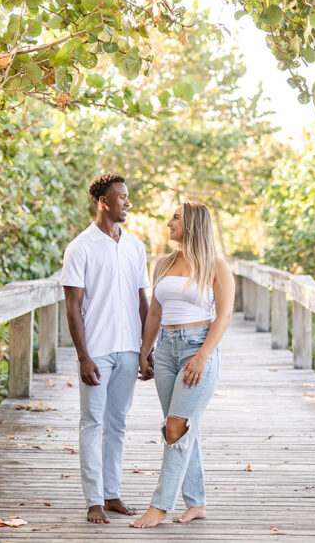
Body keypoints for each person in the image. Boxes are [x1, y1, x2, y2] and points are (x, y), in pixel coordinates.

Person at [130, 202, 235, 528]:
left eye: (175, 217)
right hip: (165, 352)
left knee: (175, 429)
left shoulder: (216, 266)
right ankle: (197, 503)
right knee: (183, 428)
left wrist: (202, 358)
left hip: (197, 349)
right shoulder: (163, 263)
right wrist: (144, 352)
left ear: (192, 224)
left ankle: (160, 506)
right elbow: (157, 314)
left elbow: (224, 316)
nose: (168, 222)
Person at [61, 174, 151, 524]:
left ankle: (112, 494)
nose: (127, 202)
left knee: (117, 423)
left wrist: (146, 349)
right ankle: (93, 499)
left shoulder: (136, 246)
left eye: (127, 197)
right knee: (92, 422)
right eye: (122, 197)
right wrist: (83, 356)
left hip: (129, 349)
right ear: (103, 201)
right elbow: (72, 306)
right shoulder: (80, 247)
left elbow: (142, 300)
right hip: (96, 351)